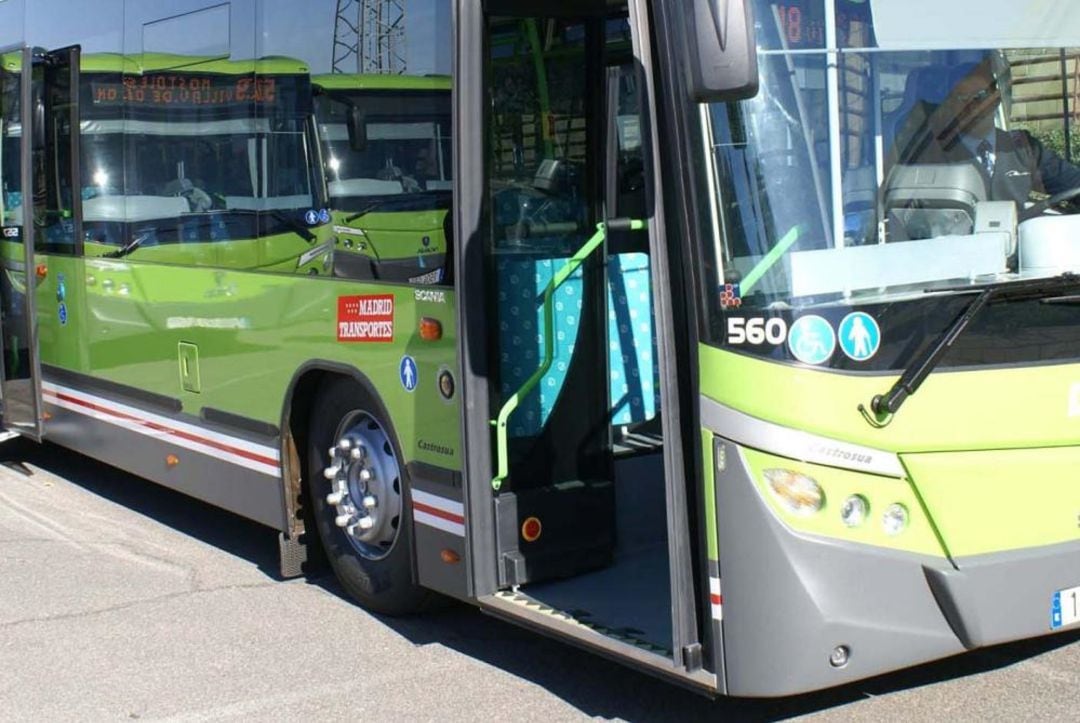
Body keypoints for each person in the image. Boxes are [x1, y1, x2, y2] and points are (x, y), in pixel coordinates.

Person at [892, 58, 1080, 207]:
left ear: (996, 100)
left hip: (1018, 250)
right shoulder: (931, 153)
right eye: (963, 98)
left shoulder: (1023, 148)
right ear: (949, 106)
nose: (974, 107)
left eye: (981, 97)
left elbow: (1074, 185)